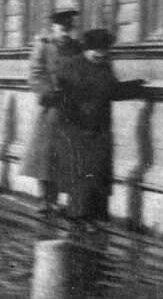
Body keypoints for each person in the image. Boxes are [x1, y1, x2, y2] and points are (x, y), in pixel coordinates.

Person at [52, 28, 145, 225]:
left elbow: (114, 91)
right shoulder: (71, 66)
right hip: (76, 130)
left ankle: (93, 220)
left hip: (100, 129)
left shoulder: (105, 66)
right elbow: (62, 98)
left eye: (104, 51)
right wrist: (75, 118)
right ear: (87, 49)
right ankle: (78, 221)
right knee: (81, 176)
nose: (101, 55)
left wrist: (138, 87)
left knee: (98, 176)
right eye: (97, 51)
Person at [20, 10, 82, 213]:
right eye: (62, 29)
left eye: (68, 29)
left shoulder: (76, 48)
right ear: (54, 28)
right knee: (46, 156)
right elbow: (35, 74)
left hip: (71, 108)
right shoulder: (44, 45)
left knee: (64, 155)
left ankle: (56, 200)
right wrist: (48, 91)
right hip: (51, 108)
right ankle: (45, 199)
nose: (65, 33)